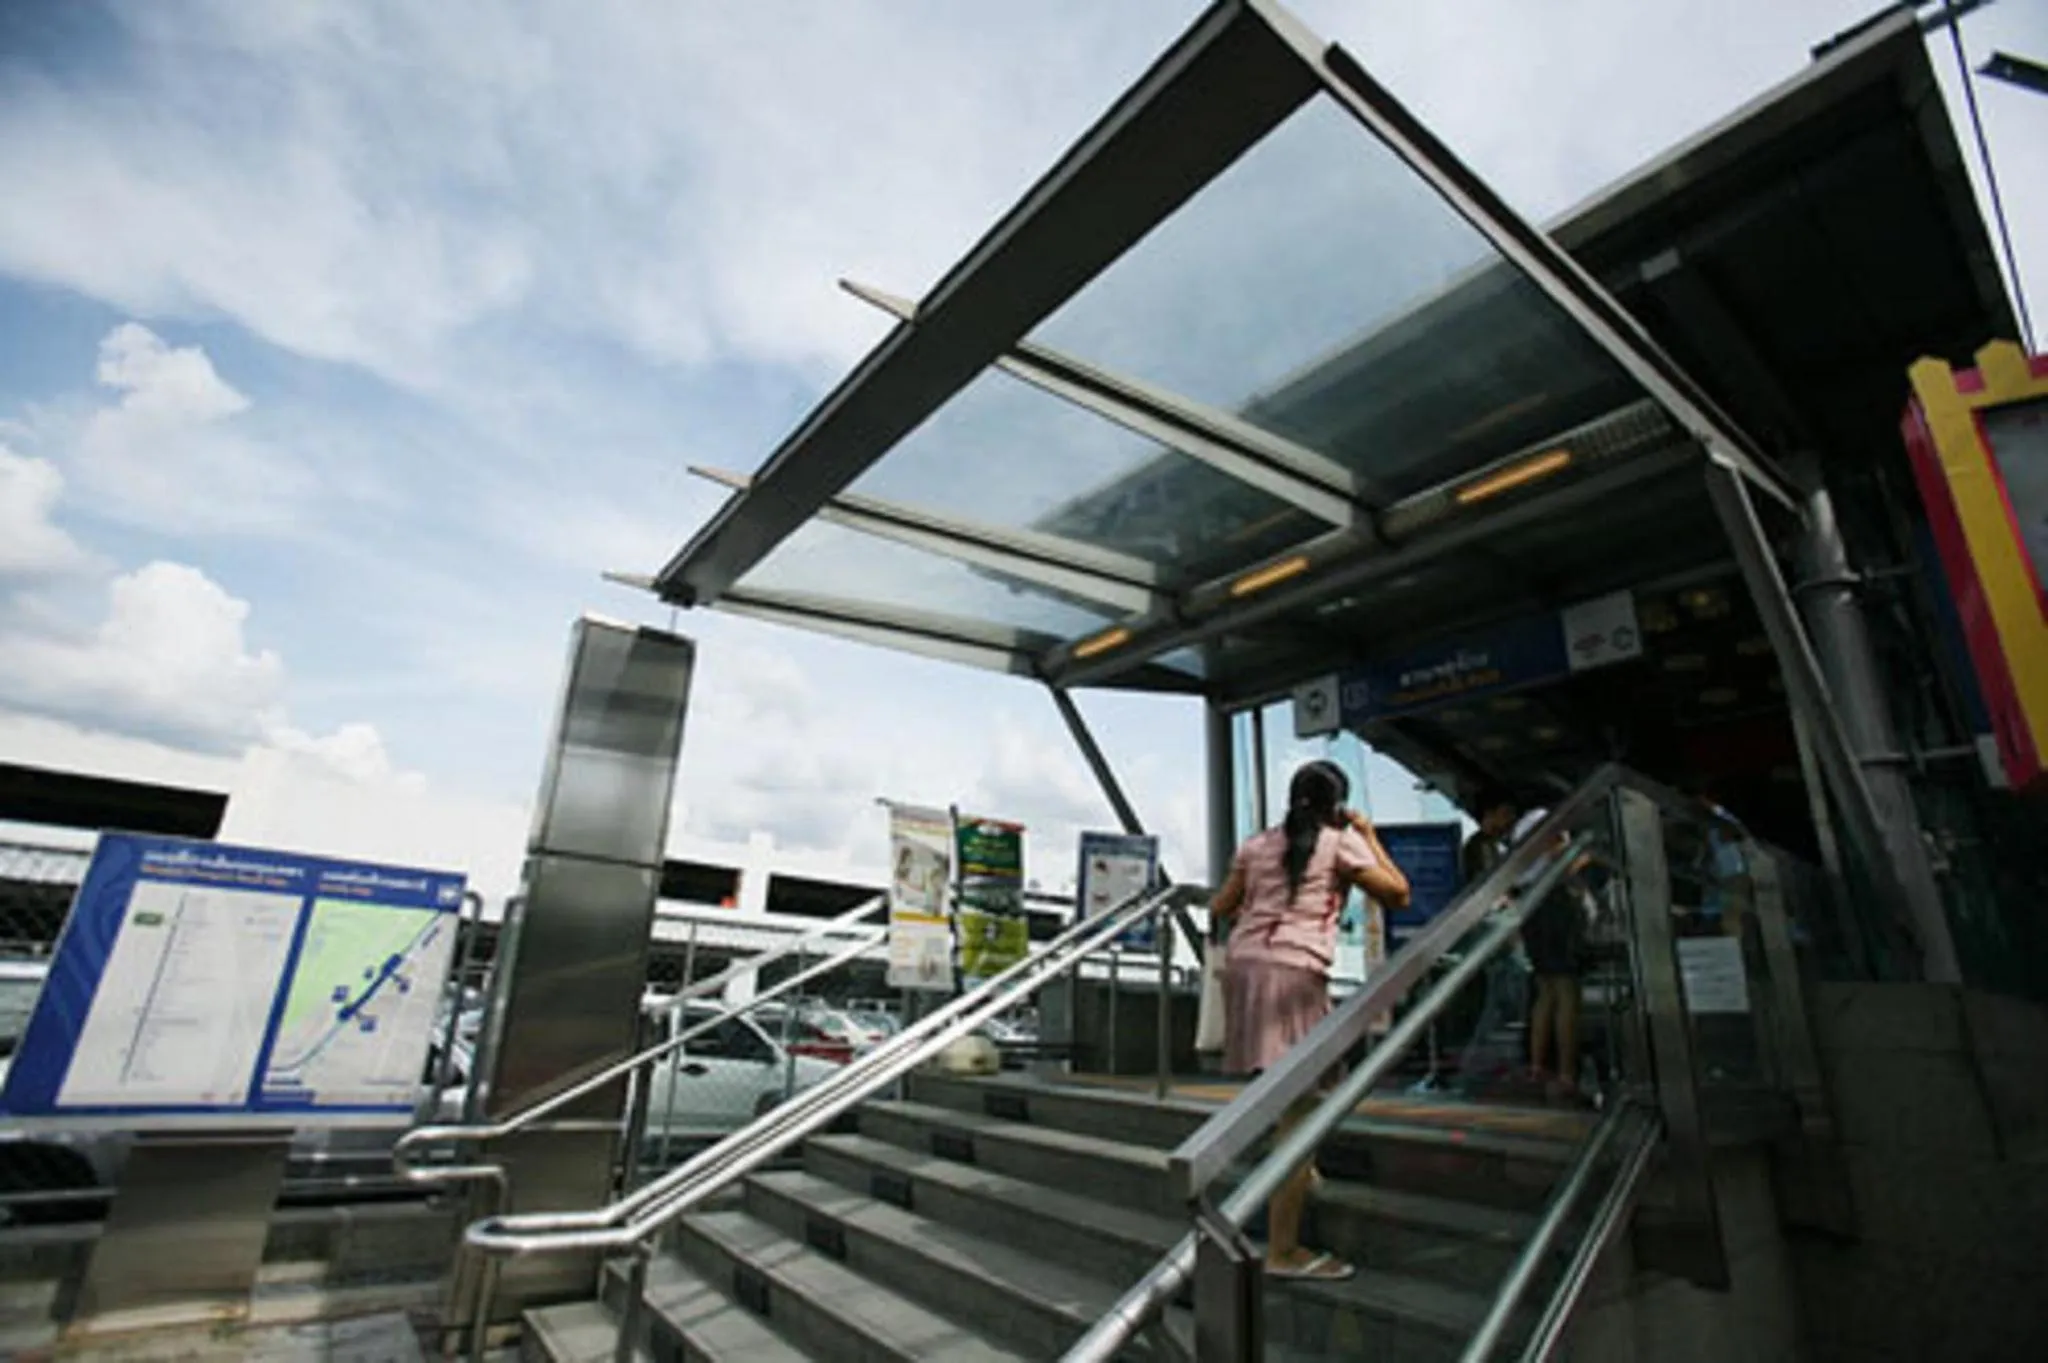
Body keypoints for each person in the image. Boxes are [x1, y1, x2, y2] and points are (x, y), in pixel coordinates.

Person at [1210, 759, 1411, 1282]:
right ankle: (1283, 1249)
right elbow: (1397, 893)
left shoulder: (1256, 844)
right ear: (1337, 805)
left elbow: (1221, 905)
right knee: (1303, 1110)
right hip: (1296, 972)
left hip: (1246, 968)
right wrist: (1367, 836)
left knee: (1283, 1086)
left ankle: (1299, 1171)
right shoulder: (1340, 843)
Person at [1512, 809, 1592, 1106]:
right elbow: (1560, 857)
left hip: (1531, 906)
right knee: (1567, 991)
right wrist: (1584, 857)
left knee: (1545, 990)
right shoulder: (1547, 819)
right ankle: (1567, 1073)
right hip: (1554, 903)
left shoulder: (1524, 823)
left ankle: (1537, 1066)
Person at [1462, 790, 1519, 886]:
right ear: (1489, 814)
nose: (1511, 818)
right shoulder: (1480, 845)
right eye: (1505, 813)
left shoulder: (1500, 842)